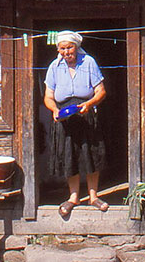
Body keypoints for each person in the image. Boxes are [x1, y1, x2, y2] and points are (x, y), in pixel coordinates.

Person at [43, 31, 108, 217]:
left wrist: (89, 104)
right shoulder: (54, 67)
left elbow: (101, 91)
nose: (66, 52)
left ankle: (93, 196)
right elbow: (48, 96)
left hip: (85, 113)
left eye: (69, 47)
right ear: (58, 49)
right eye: (62, 48)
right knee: (69, 155)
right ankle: (73, 198)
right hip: (64, 116)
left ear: (76, 47)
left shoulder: (88, 62)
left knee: (90, 153)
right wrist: (55, 110)